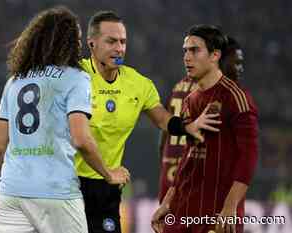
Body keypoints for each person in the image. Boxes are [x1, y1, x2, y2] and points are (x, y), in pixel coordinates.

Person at [74, 11, 221, 233]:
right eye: (111, 41)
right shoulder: (74, 74)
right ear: (91, 43)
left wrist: (186, 126)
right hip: (68, 184)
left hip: (107, 187)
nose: (119, 48)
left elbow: (162, 119)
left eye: (123, 42)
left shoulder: (138, 84)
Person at [0, 6, 130, 233]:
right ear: (68, 43)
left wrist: (16, 180)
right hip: (57, 193)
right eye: (75, 38)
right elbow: (81, 139)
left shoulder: (15, 81)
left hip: (10, 194)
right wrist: (108, 174)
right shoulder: (75, 79)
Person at [151, 25, 258, 233]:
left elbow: (248, 157)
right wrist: (168, 201)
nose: (187, 57)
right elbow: (187, 156)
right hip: (183, 211)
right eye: (185, 50)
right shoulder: (190, 100)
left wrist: (230, 206)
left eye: (195, 50)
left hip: (215, 215)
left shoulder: (236, 98)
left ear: (215, 55)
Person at [157, 36, 245, 203]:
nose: (239, 68)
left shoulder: (179, 85)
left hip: (168, 179)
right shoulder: (209, 90)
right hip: (192, 183)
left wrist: (167, 169)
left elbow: (164, 136)